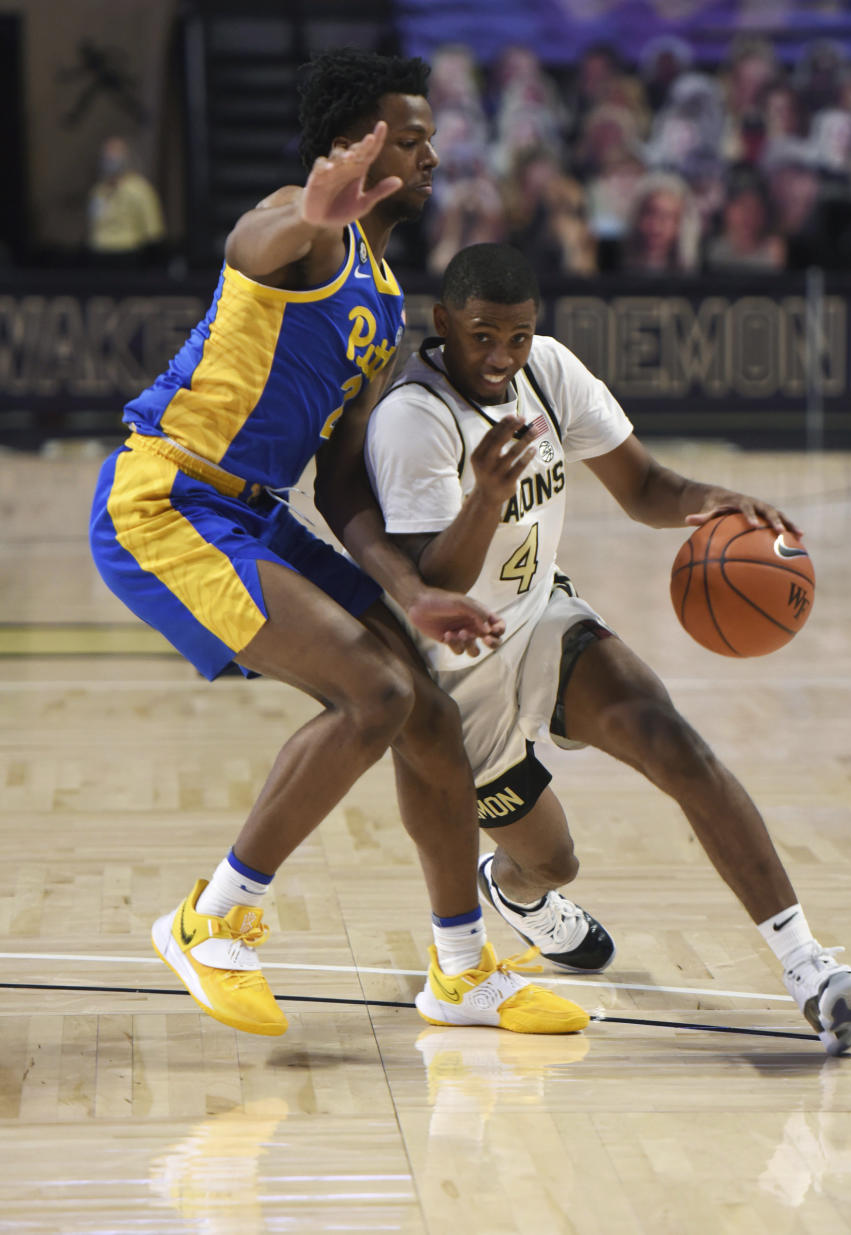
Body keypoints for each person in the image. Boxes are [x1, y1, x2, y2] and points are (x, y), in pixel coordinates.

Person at [88, 51, 587, 1040]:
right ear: (351, 151)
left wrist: (409, 589)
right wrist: (316, 211)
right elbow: (253, 238)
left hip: (255, 511)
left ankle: (460, 974)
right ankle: (213, 920)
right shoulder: (301, 233)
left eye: (426, 135)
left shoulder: (386, 299)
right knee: (377, 693)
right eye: (410, 136)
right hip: (165, 501)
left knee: (428, 709)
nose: (433, 152)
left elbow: (346, 482)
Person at [363, 242, 851, 1055]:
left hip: (538, 617)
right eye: (481, 336)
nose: (502, 357)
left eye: (518, 336)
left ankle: (809, 970)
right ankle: (516, 891)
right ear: (442, 326)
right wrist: (490, 496)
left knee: (671, 739)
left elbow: (643, 487)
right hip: (455, 669)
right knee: (554, 860)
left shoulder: (552, 374)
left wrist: (709, 501)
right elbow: (437, 585)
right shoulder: (413, 419)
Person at [87, 136, 166, 262]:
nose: (109, 159)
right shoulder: (99, 191)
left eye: (114, 155)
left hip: (128, 255)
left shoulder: (139, 189)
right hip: (99, 256)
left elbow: (153, 231)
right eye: (106, 155)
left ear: (125, 157)